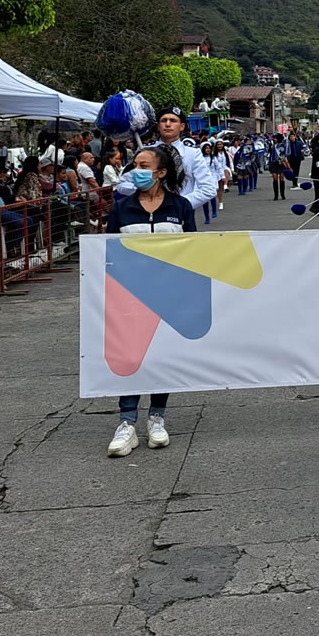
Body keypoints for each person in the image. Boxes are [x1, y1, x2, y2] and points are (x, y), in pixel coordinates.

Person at [105, 143, 197, 457]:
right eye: (135, 165)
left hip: (169, 297)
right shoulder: (121, 208)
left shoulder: (181, 206)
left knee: (162, 357)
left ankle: (157, 418)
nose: (137, 171)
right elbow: (108, 251)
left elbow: (194, 251)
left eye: (144, 166)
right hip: (129, 297)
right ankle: (127, 422)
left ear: (161, 172)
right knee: (130, 357)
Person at [116, 107, 217, 216]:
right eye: (164, 120)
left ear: (182, 126)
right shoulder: (145, 151)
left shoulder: (192, 153)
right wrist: (144, 190)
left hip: (180, 215)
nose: (168, 124)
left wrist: (179, 204)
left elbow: (208, 189)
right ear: (158, 126)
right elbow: (122, 185)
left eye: (173, 121)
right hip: (147, 214)